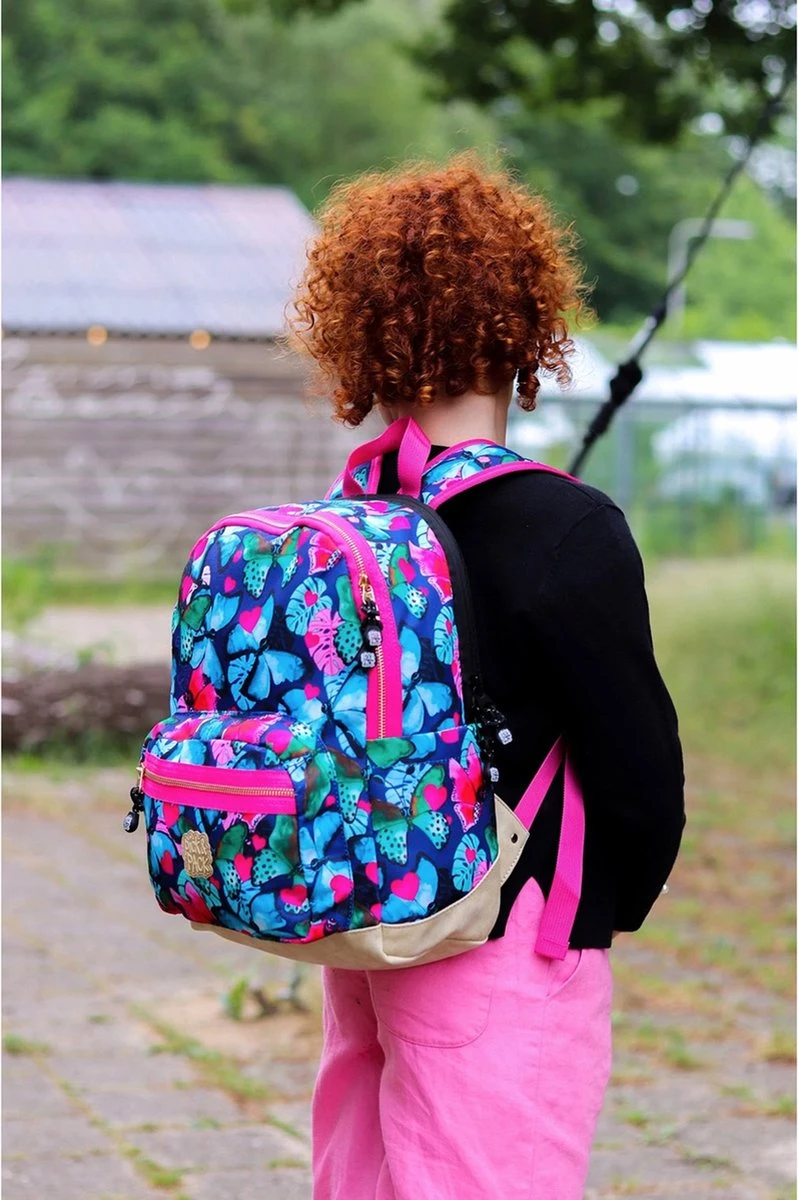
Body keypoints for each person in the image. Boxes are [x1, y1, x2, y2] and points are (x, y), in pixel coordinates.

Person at [288, 153, 685, 1200]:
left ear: (361, 337)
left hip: (366, 925)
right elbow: (640, 771)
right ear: (523, 332)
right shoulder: (565, 527)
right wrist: (604, 907)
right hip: (505, 934)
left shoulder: (354, 516)